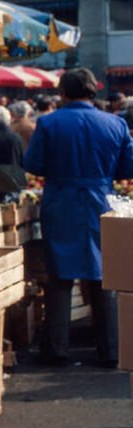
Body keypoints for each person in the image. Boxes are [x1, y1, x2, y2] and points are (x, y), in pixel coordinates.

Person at [24, 68, 133, 367]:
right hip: (101, 201)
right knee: (105, 276)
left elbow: (32, 163)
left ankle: (57, 349)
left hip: (61, 202)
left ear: (63, 92)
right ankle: (112, 350)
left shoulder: (48, 123)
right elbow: (128, 169)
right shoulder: (116, 123)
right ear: (92, 91)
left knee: (59, 277)